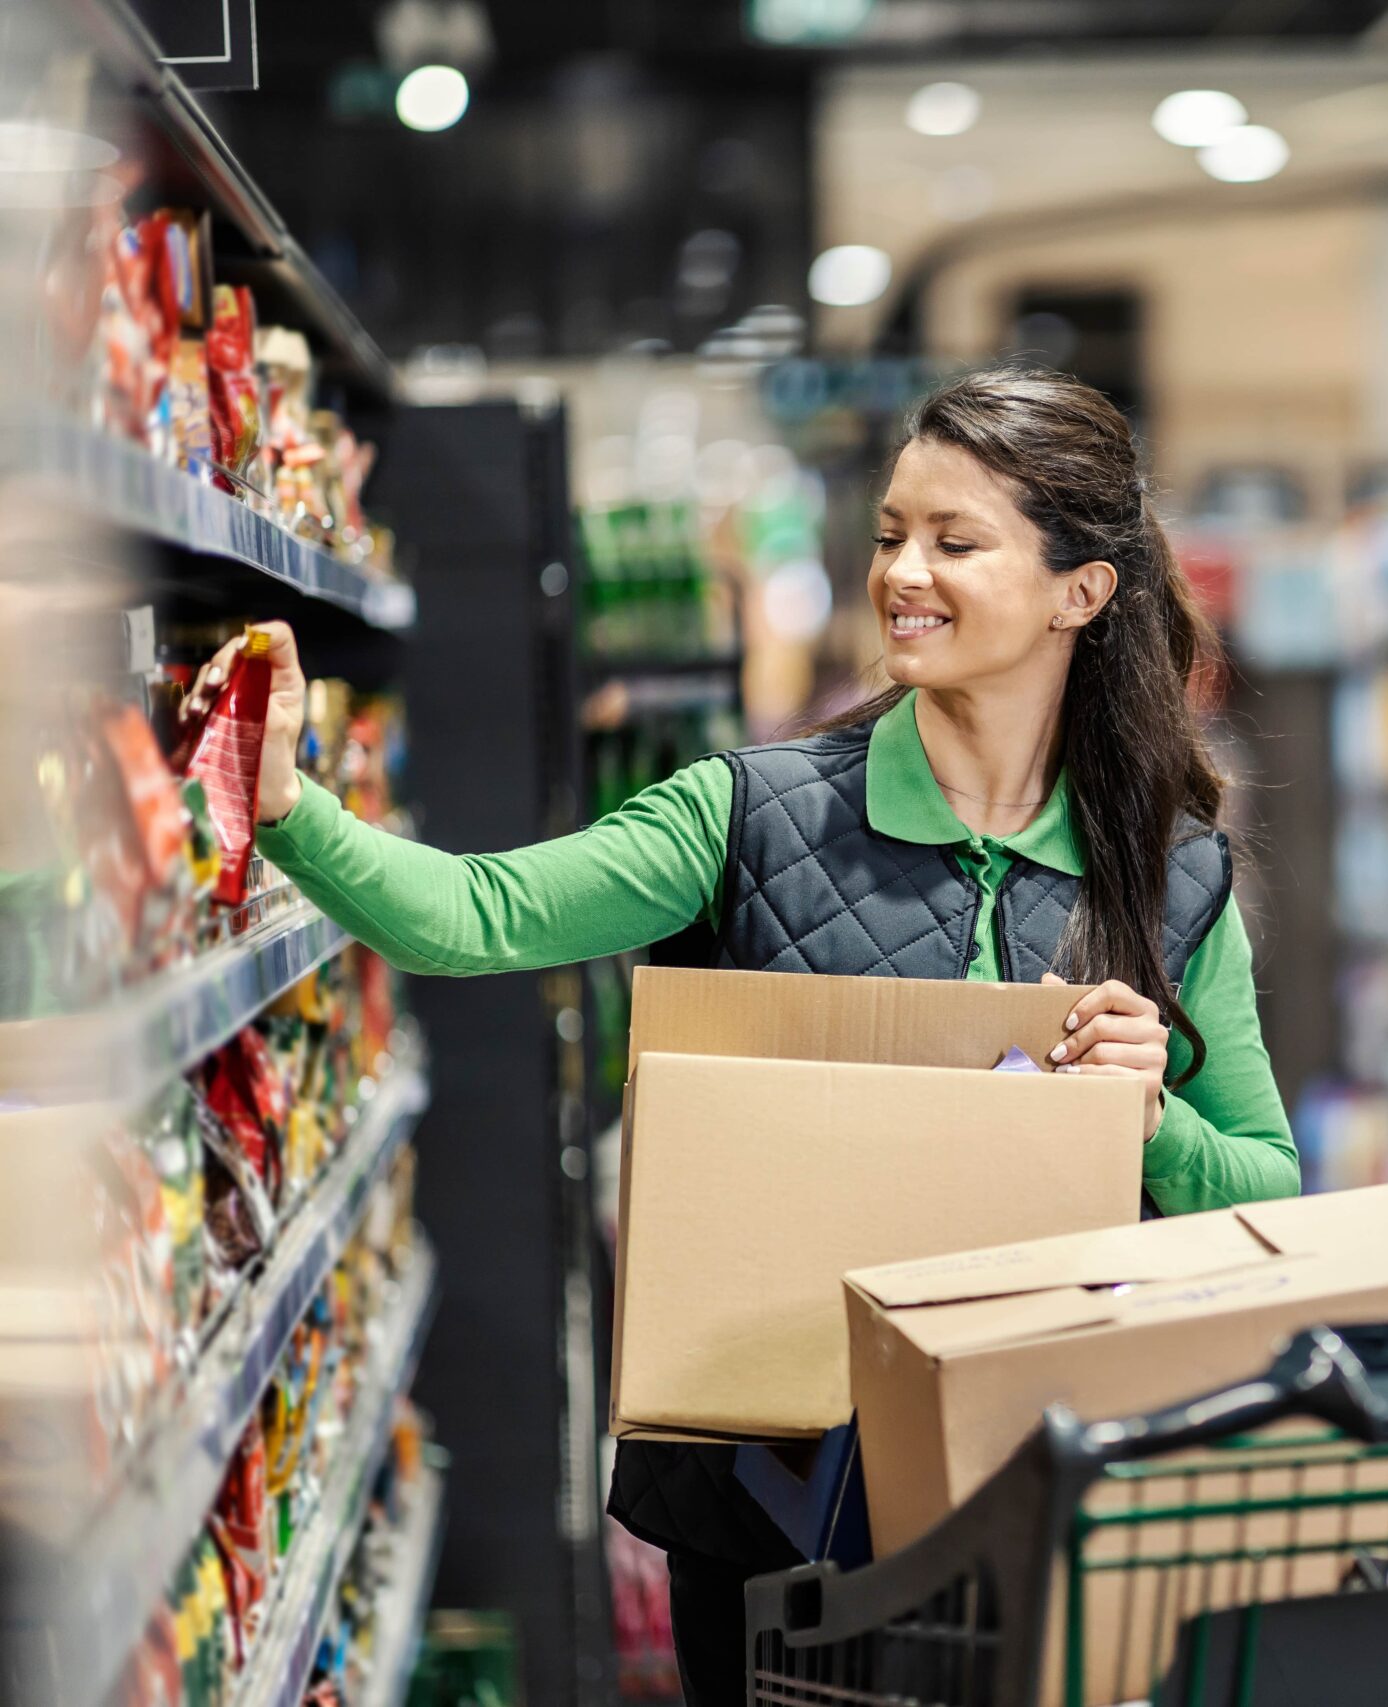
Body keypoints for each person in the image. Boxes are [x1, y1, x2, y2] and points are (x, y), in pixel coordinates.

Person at [200, 364, 1299, 1707]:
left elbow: (1267, 1183)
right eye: (894, 534)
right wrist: (292, 805)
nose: (906, 573)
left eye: (958, 543)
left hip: (1048, 1484)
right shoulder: (750, 815)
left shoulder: (1171, 875)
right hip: (776, 1506)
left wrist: (1154, 1121)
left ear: (1083, 591)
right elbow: (476, 915)